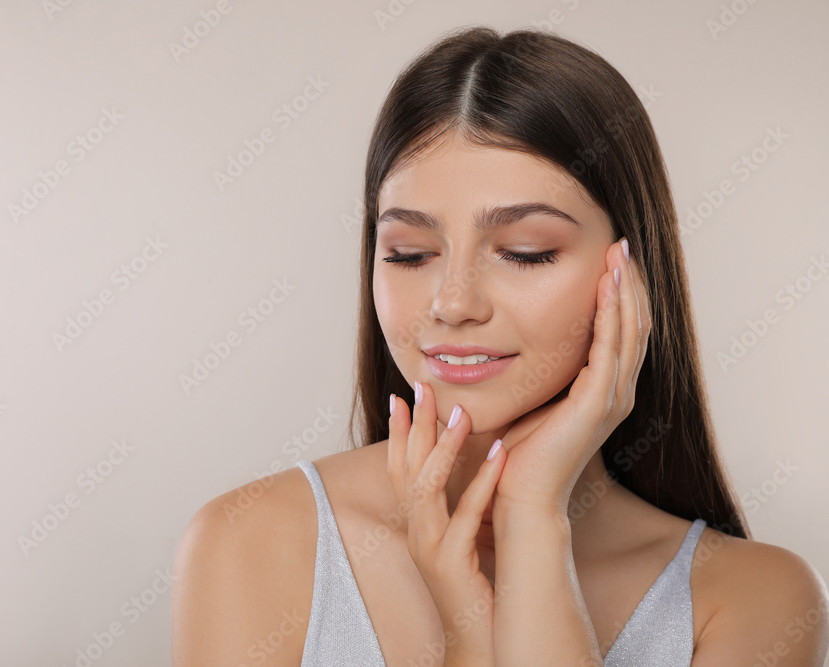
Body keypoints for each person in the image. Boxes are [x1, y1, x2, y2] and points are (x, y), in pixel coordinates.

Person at [172, 26, 829, 666]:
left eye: (525, 251)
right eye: (410, 253)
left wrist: (533, 519)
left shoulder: (755, 599)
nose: (453, 302)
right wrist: (467, 643)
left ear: (628, 272)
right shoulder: (250, 542)